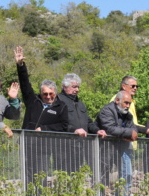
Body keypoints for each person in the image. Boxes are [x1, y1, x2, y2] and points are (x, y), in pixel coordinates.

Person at [14, 46, 69, 185]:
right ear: (41, 93)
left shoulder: (61, 107)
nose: (48, 97)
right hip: (27, 144)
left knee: (41, 176)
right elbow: (25, 84)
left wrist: (44, 129)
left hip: (44, 148)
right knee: (27, 177)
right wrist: (20, 65)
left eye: (51, 94)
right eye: (45, 94)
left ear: (55, 93)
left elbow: (63, 126)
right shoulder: (33, 101)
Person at [57, 73, 107, 174]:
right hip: (64, 148)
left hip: (80, 146)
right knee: (65, 175)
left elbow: (88, 122)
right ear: (65, 86)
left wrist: (97, 130)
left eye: (78, 87)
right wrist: (73, 130)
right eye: (74, 87)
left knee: (77, 174)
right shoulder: (58, 100)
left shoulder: (80, 103)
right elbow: (57, 122)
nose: (77, 90)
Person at [97, 90, 139, 196]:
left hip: (121, 149)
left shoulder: (127, 115)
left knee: (125, 177)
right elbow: (110, 128)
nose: (128, 106)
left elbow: (133, 129)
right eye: (126, 103)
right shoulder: (107, 111)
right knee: (101, 178)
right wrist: (128, 133)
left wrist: (127, 133)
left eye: (129, 103)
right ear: (117, 100)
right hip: (105, 149)